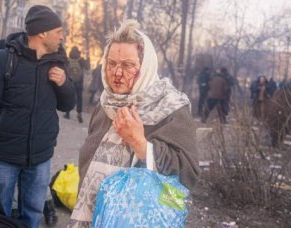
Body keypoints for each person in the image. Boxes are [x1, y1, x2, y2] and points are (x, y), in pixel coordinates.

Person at [69, 19, 200, 227]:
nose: (117, 73)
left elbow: (189, 176)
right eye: (111, 64)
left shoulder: (171, 108)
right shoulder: (106, 104)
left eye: (128, 65)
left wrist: (140, 144)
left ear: (146, 67)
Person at [0, 5, 75, 228]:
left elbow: (68, 104)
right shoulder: (0, 61)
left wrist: (64, 83)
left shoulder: (57, 62)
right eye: (58, 31)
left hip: (40, 159)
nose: (62, 36)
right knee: (0, 216)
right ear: (43, 33)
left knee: (33, 216)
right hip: (3, 159)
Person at [64, 46, 90, 123]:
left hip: (70, 81)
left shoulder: (68, 59)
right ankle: (79, 115)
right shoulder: (81, 59)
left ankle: (67, 113)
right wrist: (88, 60)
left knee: (69, 96)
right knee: (79, 98)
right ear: (78, 52)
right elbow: (87, 68)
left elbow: (65, 68)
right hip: (79, 82)